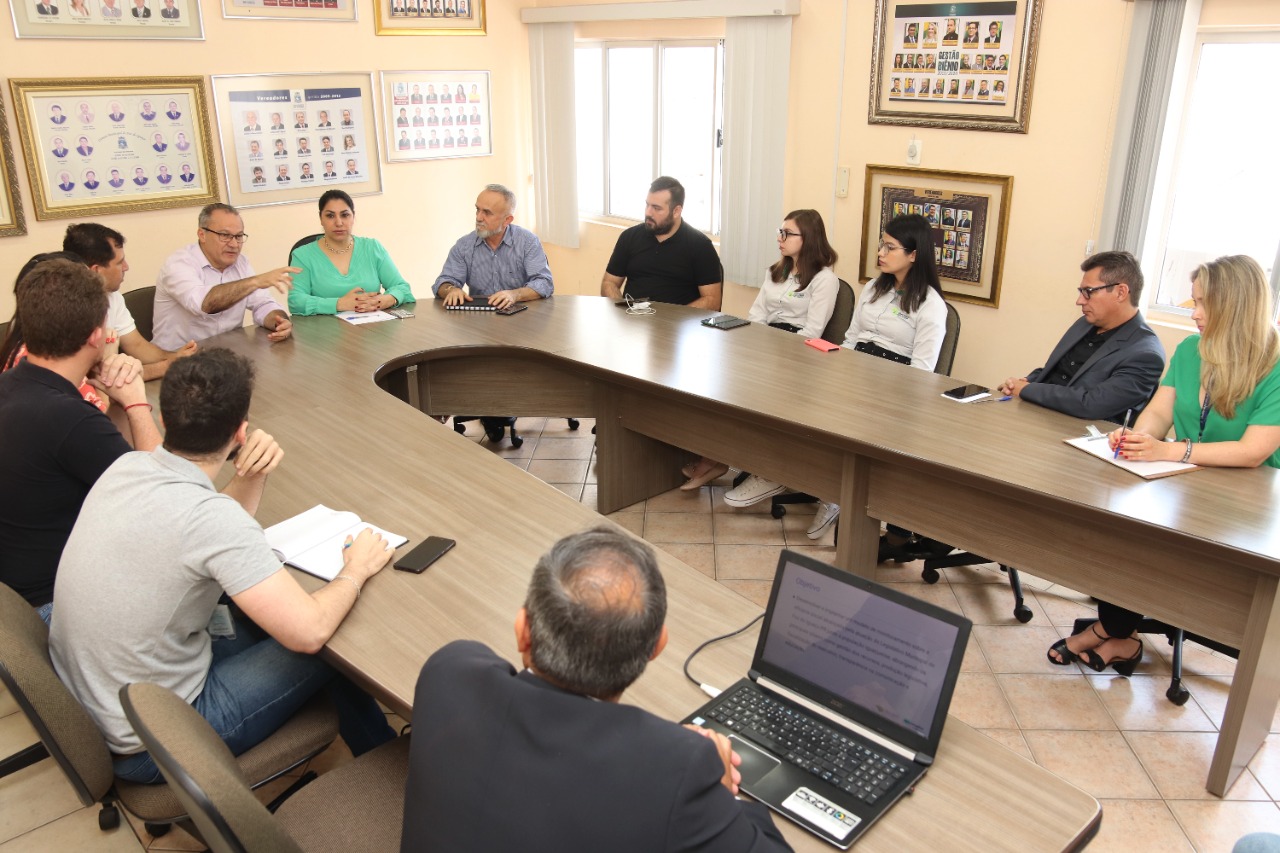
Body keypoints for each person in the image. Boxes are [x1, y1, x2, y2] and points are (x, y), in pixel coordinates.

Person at [49, 348, 398, 783]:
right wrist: (356, 569)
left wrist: (254, 473)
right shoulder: (213, 519)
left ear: (165, 414)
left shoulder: (128, 466)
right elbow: (308, 632)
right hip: (156, 737)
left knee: (253, 618)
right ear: (240, 430)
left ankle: (378, 748)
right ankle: (390, 762)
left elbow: (204, 527)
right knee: (333, 646)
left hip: (103, 698)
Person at [400, 527, 790, 852]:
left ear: (522, 632)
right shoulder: (677, 769)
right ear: (658, 646)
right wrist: (726, 793)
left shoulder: (447, 672)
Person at [1047, 256, 1280, 673]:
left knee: (1154, 549)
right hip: (1188, 483)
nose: (1195, 314)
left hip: (1247, 504)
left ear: (1237, 306)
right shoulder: (1192, 350)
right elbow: (1159, 413)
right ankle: (1118, 633)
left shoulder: (1274, 363)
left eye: (1204, 303)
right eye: (1194, 301)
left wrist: (1172, 450)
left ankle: (1111, 632)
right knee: (1125, 528)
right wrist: (1138, 435)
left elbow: (1252, 451)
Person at [726, 215, 947, 545]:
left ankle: (836, 495)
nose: (881, 252)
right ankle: (776, 473)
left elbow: (921, 370)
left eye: (890, 247)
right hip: (855, 370)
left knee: (843, 419)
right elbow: (852, 338)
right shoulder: (874, 287)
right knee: (799, 398)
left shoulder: (930, 305)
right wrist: (834, 371)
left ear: (914, 254)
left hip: (892, 385)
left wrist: (876, 387)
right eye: (881, 244)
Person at [0, 258, 160, 618]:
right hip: (57, 605)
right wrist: (136, 403)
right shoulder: (67, 418)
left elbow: (114, 460)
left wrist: (117, 399)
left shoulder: (16, 386)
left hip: (16, 595)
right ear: (95, 335)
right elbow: (165, 500)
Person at [688, 210, 840, 493]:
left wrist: (769, 353)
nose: (780, 239)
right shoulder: (776, 271)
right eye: (779, 232)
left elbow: (812, 332)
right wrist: (750, 347)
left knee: (748, 391)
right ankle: (713, 456)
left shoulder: (824, 280)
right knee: (718, 379)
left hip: (795, 354)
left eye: (787, 234)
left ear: (808, 239)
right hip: (764, 344)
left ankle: (732, 463)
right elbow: (757, 315)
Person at [997, 251, 1165, 425]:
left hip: (1080, 435)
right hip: (1041, 417)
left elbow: (1092, 404)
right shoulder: (1084, 324)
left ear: (1121, 292)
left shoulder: (1145, 354)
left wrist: (1028, 390)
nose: (1080, 301)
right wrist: (1024, 382)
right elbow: (1054, 371)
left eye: (1088, 292)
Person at [63, 222, 198, 380]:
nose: (126, 267)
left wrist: (176, 357)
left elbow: (136, 345)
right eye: (120, 262)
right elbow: (101, 379)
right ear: (96, 271)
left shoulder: (112, 296)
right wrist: (167, 366)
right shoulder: (66, 309)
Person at [152, 203, 294, 350]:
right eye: (225, 235)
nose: (234, 244)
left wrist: (279, 322)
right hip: (178, 359)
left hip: (227, 355)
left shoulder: (241, 263)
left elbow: (262, 304)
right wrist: (255, 281)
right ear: (202, 235)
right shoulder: (178, 264)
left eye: (239, 236)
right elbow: (204, 304)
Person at [600, 176, 722, 310]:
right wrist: (624, 310)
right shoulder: (629, 237)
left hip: (677, 326)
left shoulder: (700, 246)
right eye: (647, 205)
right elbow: (609, 282)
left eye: (656, 208)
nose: (648, 212)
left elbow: (712, 300)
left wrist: (674, 319)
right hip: (634, 322)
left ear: (676, 211)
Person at [288, 190, 415, 315]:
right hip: (323, 331)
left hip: (372, 327)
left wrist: (386, 300)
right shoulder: (302, 255)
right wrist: (339, 304)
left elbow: (401, 287)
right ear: (321, 219)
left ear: (353, 217)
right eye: (330, 216)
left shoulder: (372, 248)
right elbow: (296, 301)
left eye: (345, 215)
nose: (338, 223)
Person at [432, 183, 552, 310]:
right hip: (480, 319)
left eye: (487, 213)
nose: (478, 217)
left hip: (522, 316)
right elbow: (442, 282)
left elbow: (544, 283)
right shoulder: (464, 246)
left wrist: (514, 294)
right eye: (477, 209)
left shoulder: (528, 242)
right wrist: (451, 290)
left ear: (507, 220)